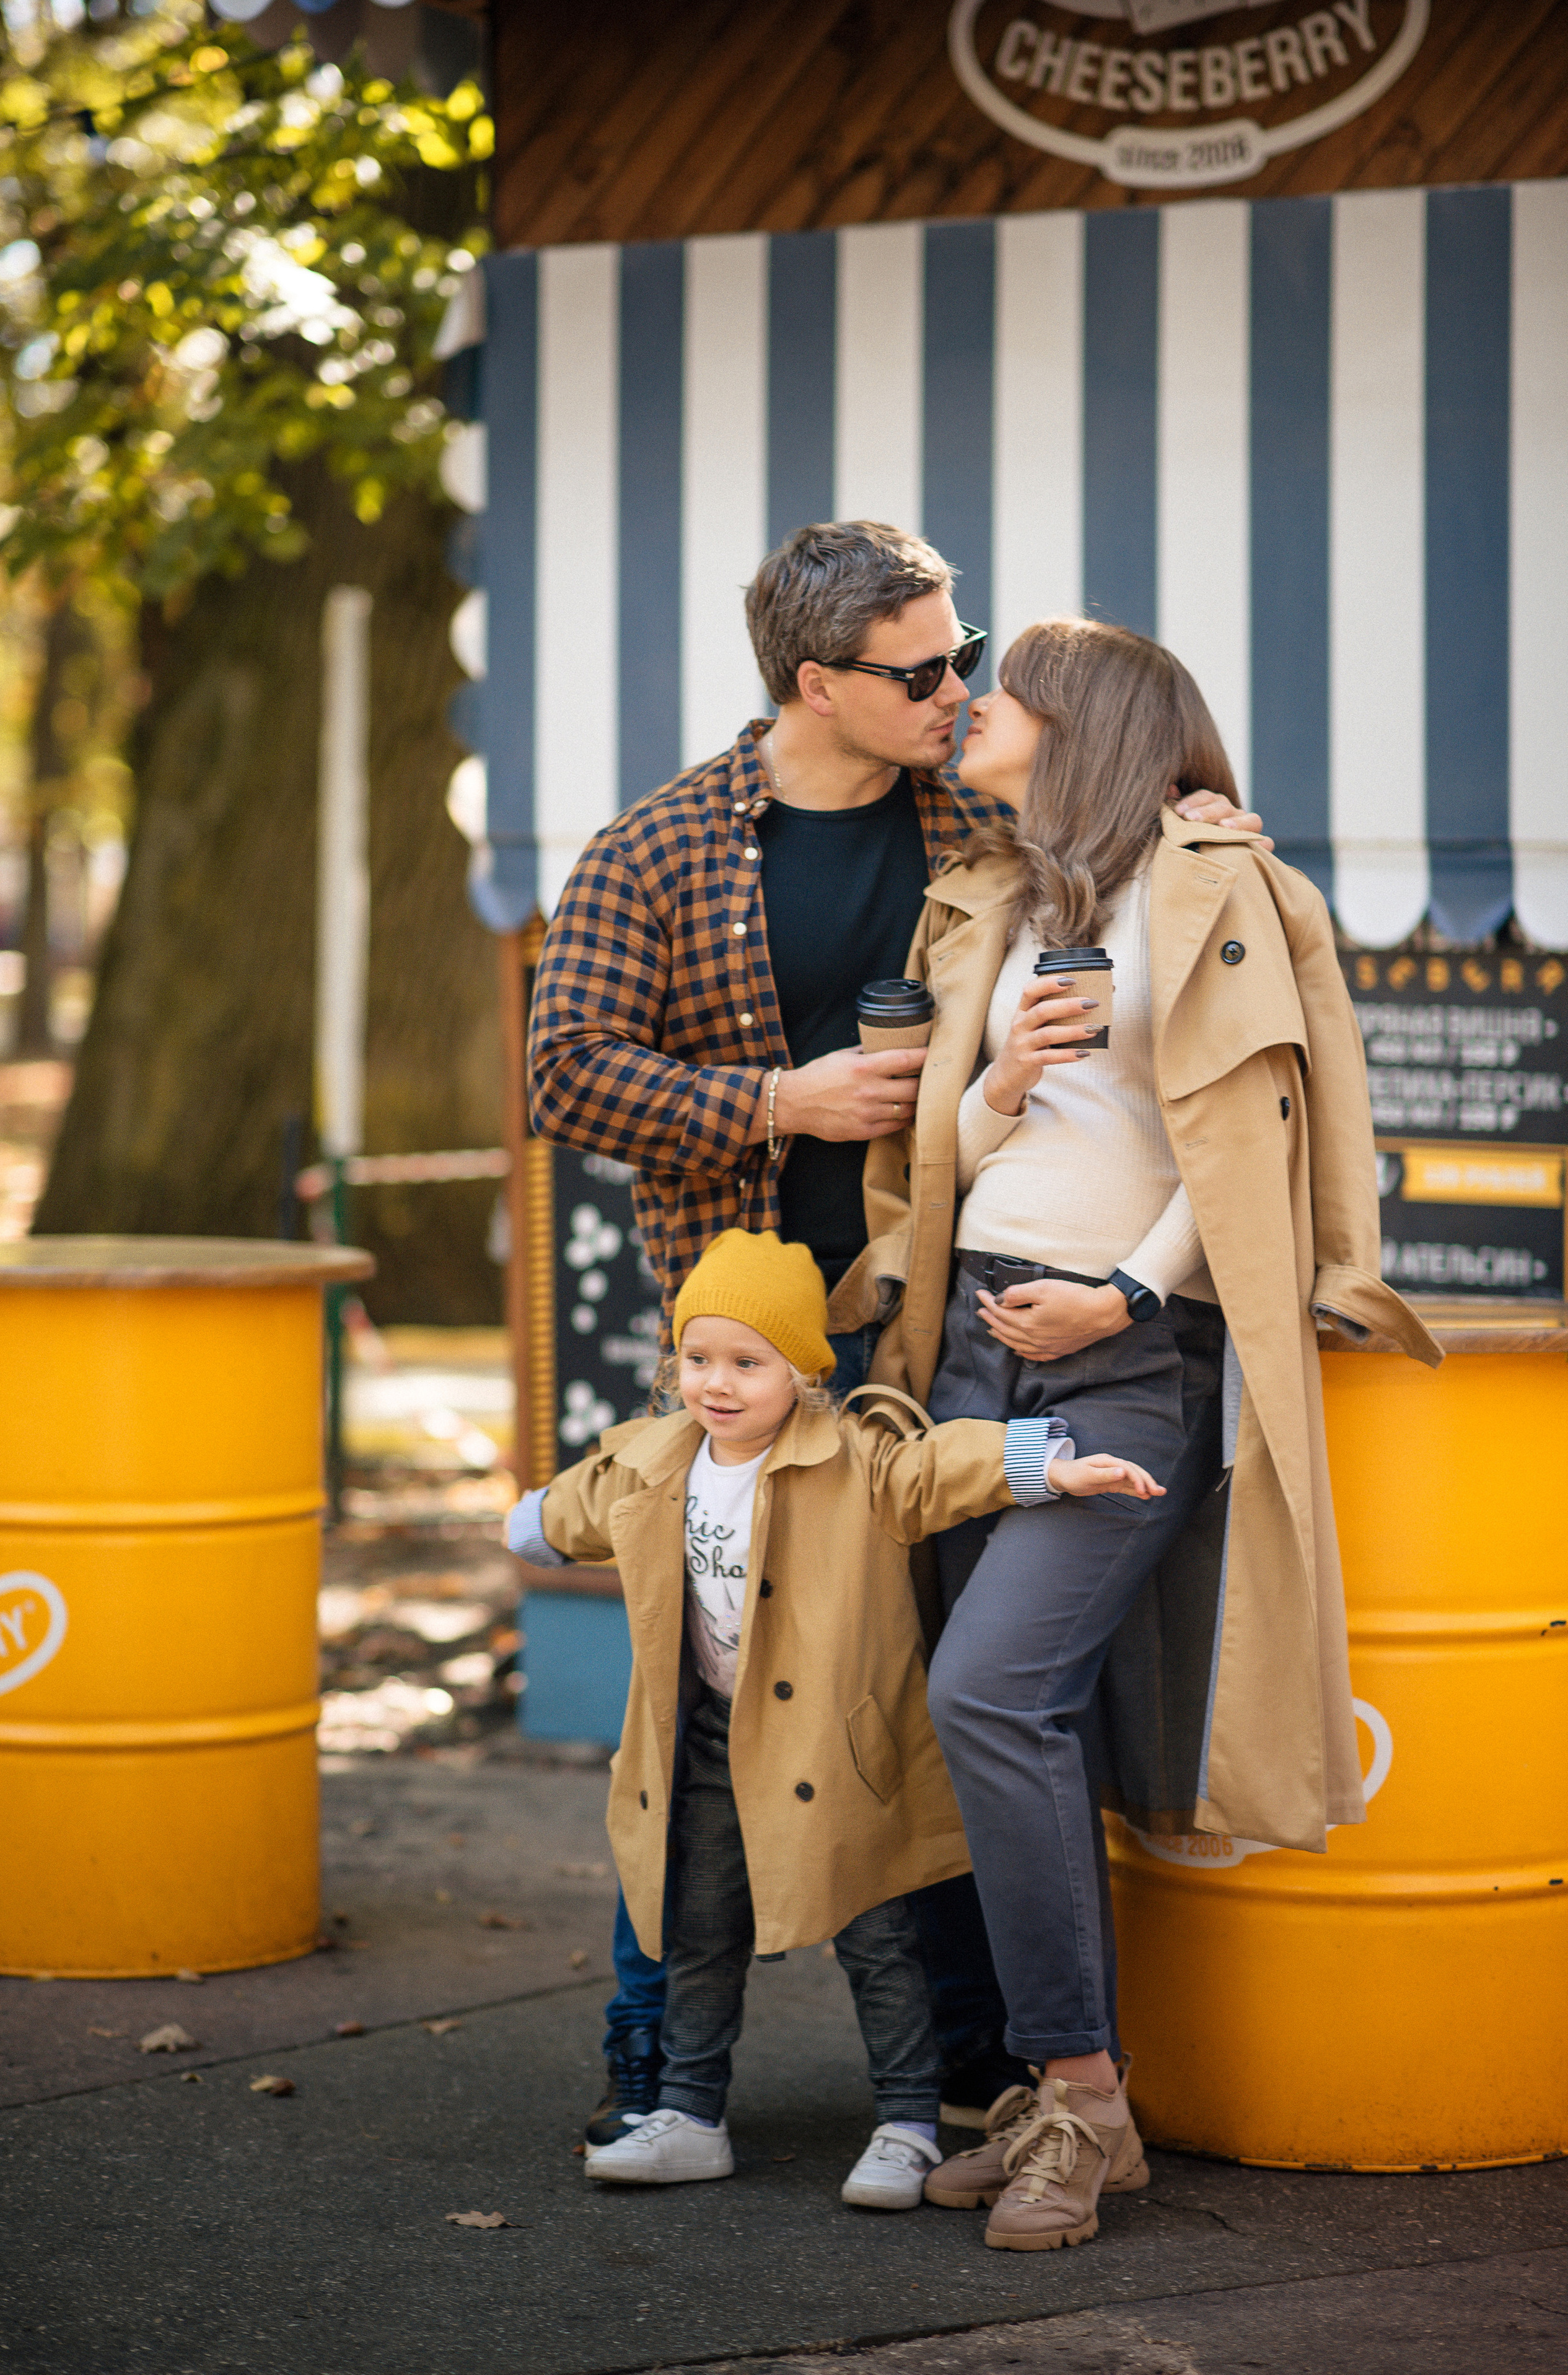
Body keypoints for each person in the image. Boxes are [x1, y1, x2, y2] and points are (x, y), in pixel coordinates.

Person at [523, 520, 1268, 2146]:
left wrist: (1200, 817)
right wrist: (773, 1099)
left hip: (947, 1322)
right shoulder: (659, 847)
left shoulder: (976, 814)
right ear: (818, 683)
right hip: (759, 1346)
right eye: (922, 669)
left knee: (935, 1688)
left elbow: (1137, 838)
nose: (958, 686)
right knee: (712, 1694)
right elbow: (561, 1069)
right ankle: (655, 2064)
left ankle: (966, 2077)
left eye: (964, 651)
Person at [857, 615, 1440, 2252]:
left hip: (1125, 1355)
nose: (968, 708)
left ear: (1081, 720)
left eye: (1001, 691)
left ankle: (1084, 2096)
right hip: (970, 1343)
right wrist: (1003, 1079)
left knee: (996, 1693)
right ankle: (1069, 2104)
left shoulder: (1216, 885)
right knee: (1011, 1725)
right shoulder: (998, 899)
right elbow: (951, 1141)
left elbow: (1247, 1146)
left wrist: (1122, 1292)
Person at [507, 1229, 1164, 2207]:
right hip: (709, 1741)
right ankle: (690, 2108)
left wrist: (1050, 1464)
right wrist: (530, 1522)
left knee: (877, 1934)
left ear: (804, 1373)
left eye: (747, 1362)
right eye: (697, 1358)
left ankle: (905, 2119)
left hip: (835, 1748)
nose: (717, 1384)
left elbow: (938, 1468)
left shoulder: (851, 1456)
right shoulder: (658, 1460)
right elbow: (583, 1503)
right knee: (700, 1921)